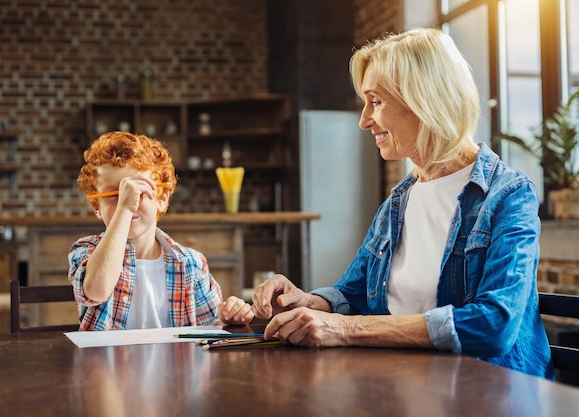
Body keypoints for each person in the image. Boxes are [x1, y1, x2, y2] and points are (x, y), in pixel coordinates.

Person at [252, 28, 554, 379]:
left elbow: (494, 325)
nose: (364, 120)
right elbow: (353, 293)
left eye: (375, 101)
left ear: (424, 99)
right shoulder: (400, 199)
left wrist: (345, 330)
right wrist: (306, 303)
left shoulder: (509, 195)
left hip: (487, 392)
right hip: (406, 384)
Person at [68, 131, 253, 330]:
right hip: (107, 362)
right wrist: (124, 209)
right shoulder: (86, 251)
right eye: (115, 194)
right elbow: (97, 290)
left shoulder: (191, 264)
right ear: (96, 207)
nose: (131, 201)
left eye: (140, 190)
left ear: (162, 198)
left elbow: (212, 326)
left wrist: (229, 317)